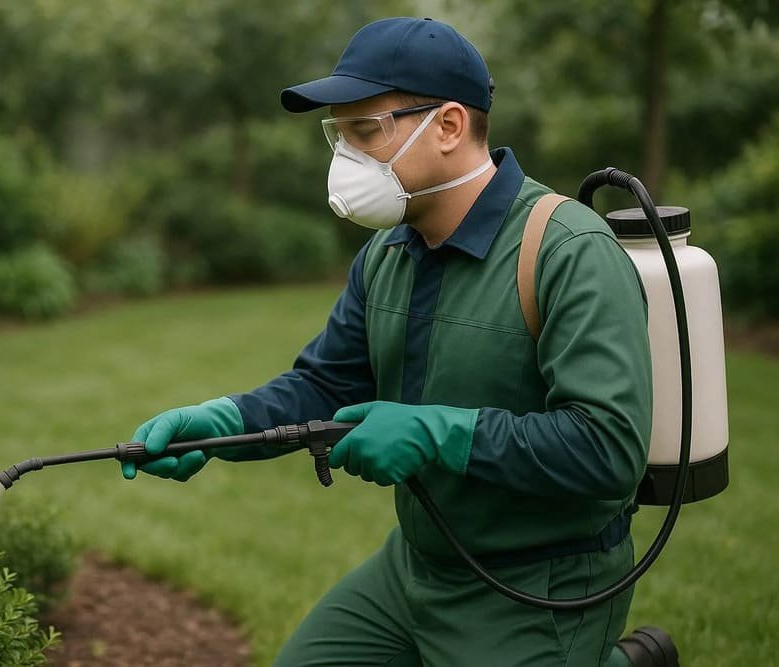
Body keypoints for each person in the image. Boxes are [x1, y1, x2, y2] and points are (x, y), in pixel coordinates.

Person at [122, 17, 678, 667]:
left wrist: (436, 433)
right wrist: (223, 422)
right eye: (339, 135)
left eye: (365, 132)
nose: (344, 158)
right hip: (415, 569)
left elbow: (608, 450)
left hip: (538, 585)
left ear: (447, 126)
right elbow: (327, 384)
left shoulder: (566, 250)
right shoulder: (387, 254)